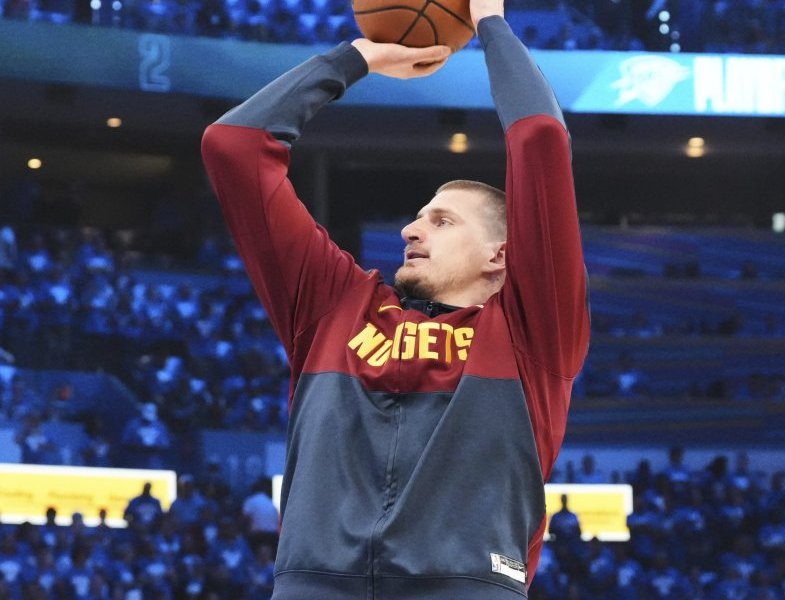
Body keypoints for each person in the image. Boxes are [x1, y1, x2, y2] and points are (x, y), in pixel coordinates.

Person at [199, 0, 589, 595]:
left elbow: (540, 139)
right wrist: (357, 59)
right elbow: (234, 145)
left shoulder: (534, 334)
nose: (411, 230)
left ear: (500, 255)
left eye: (442, 221)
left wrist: (491, 23)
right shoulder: (333, 305)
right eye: (417, 218)